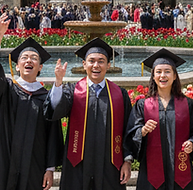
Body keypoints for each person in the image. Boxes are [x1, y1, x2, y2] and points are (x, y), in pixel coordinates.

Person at [0, 14, 63, 190]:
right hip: (5, 161)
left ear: (40, 67)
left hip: (34, 165)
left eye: (34, 58)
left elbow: (52, 135)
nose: (29, 60)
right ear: (17, 66)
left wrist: (50, 169)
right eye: (24, 58)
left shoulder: (45, 97)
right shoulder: (6, 90)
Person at [47, 37, 134, 190]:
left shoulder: (120, 94)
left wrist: (127, 161)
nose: (96, 65)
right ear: (84, 64)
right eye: (91, 60)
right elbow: (55, 111)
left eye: (101, 61)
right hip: (77, 164)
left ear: (108, 65)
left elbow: (129, 130)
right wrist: (58, 82)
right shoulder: (73, 90)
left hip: (110, 165)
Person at [127, 48, 193, 190]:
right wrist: (142, 131)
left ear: (175, 76)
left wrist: (192, 143)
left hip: (181, 173)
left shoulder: (187, 104)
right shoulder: (143, 105)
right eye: (158, 72)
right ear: (153, 76)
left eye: (167, 71)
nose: (162, 75)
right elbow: (131, 135)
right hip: (151, 175)